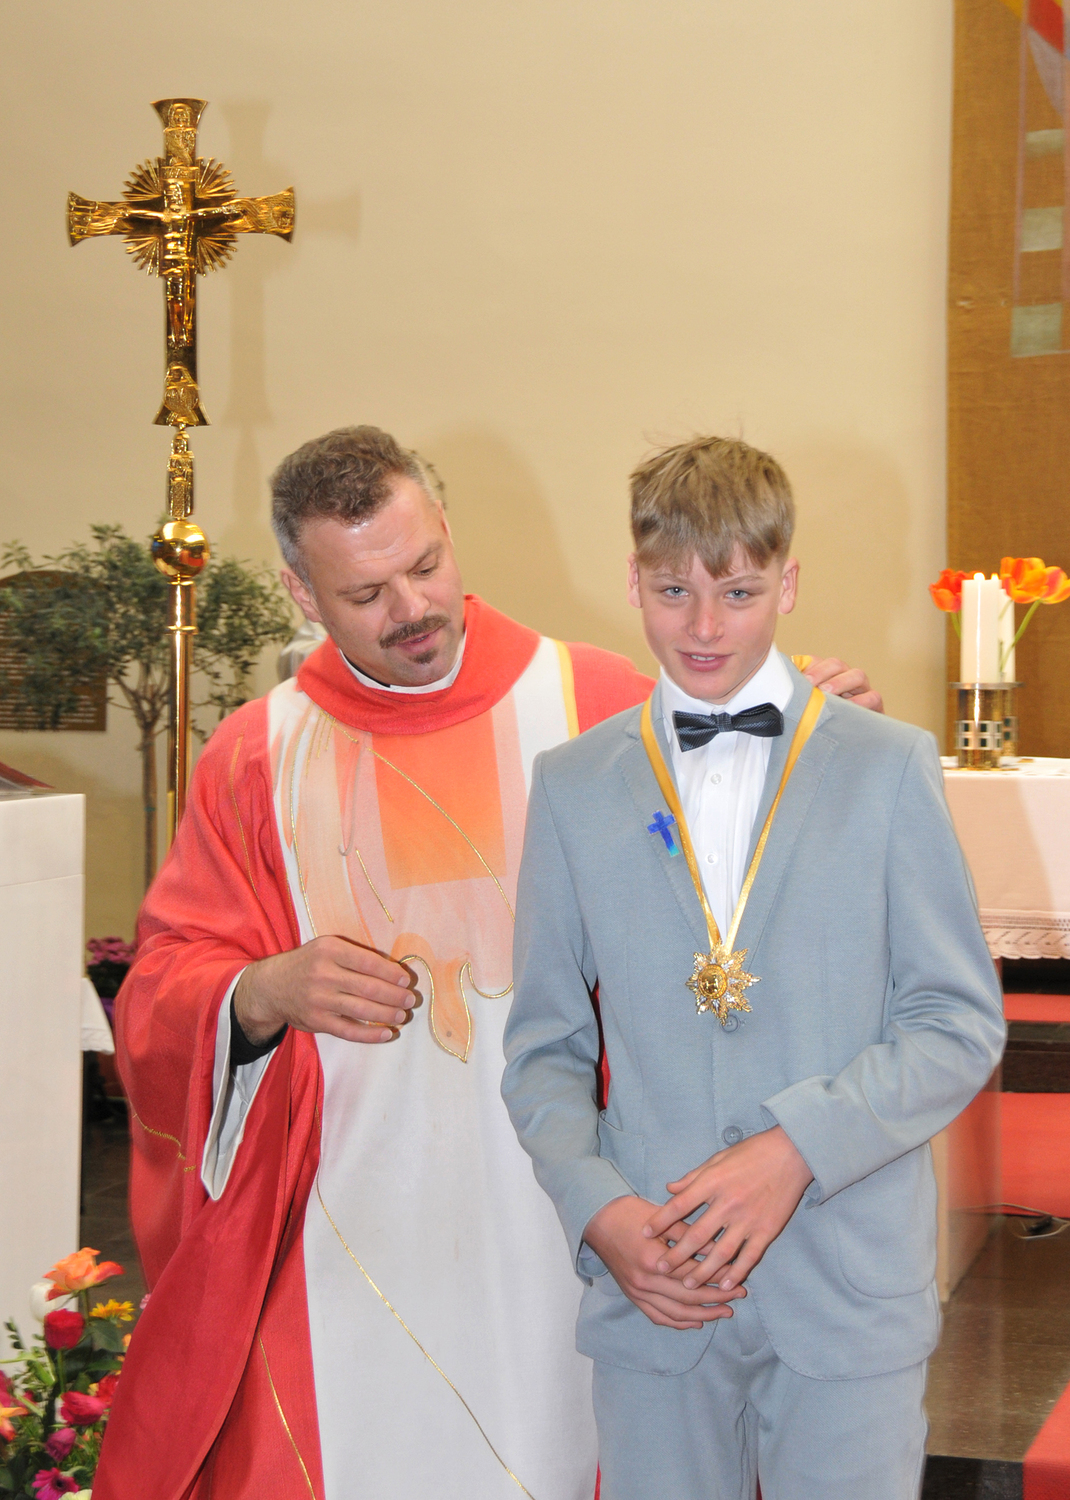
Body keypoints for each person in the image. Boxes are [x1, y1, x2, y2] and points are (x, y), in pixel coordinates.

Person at [95, 425, 884, 1500]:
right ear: (299, 591)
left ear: (446, 531)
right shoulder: (255, 756)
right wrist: (263, 988)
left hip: (579, 1200)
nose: (411, 608)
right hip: (348, 1218)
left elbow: (748, 882)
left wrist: (813, 756)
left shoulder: (597, 701)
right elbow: (159, 986)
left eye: (425, 566)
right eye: (365, 593)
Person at [501, 435, 1005, 1500]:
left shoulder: (885, 765)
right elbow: (543, 1049)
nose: (703, 627)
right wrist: (600, 1212)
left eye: (736, 592)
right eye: (672, 591)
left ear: (789, 582)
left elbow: (956, 1023)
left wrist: (795, 1151)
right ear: (632, 580)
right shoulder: (573, 785)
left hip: (845, 1277)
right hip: (657, 1282)